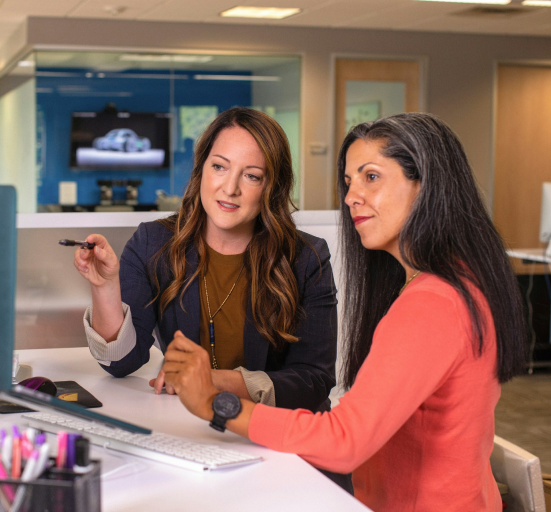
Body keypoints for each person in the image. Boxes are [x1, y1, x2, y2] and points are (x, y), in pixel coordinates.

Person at [160, 113, 528, 511]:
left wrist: (215, 404)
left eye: (371, 177)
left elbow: (344, 441)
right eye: (350, 181)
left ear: (427, 186)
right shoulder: (459, 281)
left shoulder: (433, 303)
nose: (352, 196)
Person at [74, 107, 351, 492]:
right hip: (194, 440)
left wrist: (214, 383)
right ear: (201, 169)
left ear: (271, 187)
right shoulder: (153, 243)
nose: (229, 188)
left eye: (251, 176)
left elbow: (314, 381)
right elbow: (122, 363)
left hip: (282, 449)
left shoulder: (306, 257)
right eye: (219, 167)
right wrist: (105, 287)